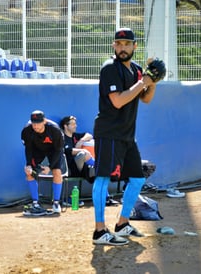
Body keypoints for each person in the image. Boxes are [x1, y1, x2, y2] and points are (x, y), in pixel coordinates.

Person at [92, 28, 157, 245]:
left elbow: (146, 99)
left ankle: (122, 223)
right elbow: (118, 101)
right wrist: (143, 82)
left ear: (134, 46)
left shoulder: (137, 70)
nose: (122, 48)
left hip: (128, 135)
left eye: (127, 44)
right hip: (109, 133)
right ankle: (100, 231)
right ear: (113, 46)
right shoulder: (110, 68)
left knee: (137, 178)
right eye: (118, 44)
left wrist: (153, 80)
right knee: (102, 178)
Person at [60, 115, 119, 207]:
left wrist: (81, 141)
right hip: (70, 167)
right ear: (65, 126)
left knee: (97, 172)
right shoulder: (62, 137)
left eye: (75, 124)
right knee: (83, 154)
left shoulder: (75, 136)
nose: (75, 126)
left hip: (82, 167)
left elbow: (89, 135)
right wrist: (82, 150)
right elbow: (68, 151)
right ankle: (99, 166)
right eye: (72, 124)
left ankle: (106, 198)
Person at [21, 110, 64, 216]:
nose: (35, 125)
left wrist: (50, 166)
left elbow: (59, 150)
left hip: (53, 151)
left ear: (44, 121)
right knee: (29, 172)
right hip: (36, 150)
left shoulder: (55, 130)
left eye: (38, 122)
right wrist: (29, 164)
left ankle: (56, 203)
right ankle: (35, 203)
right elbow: (28, 149)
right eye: (33, 122)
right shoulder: (27, 130)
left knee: (57, 171)